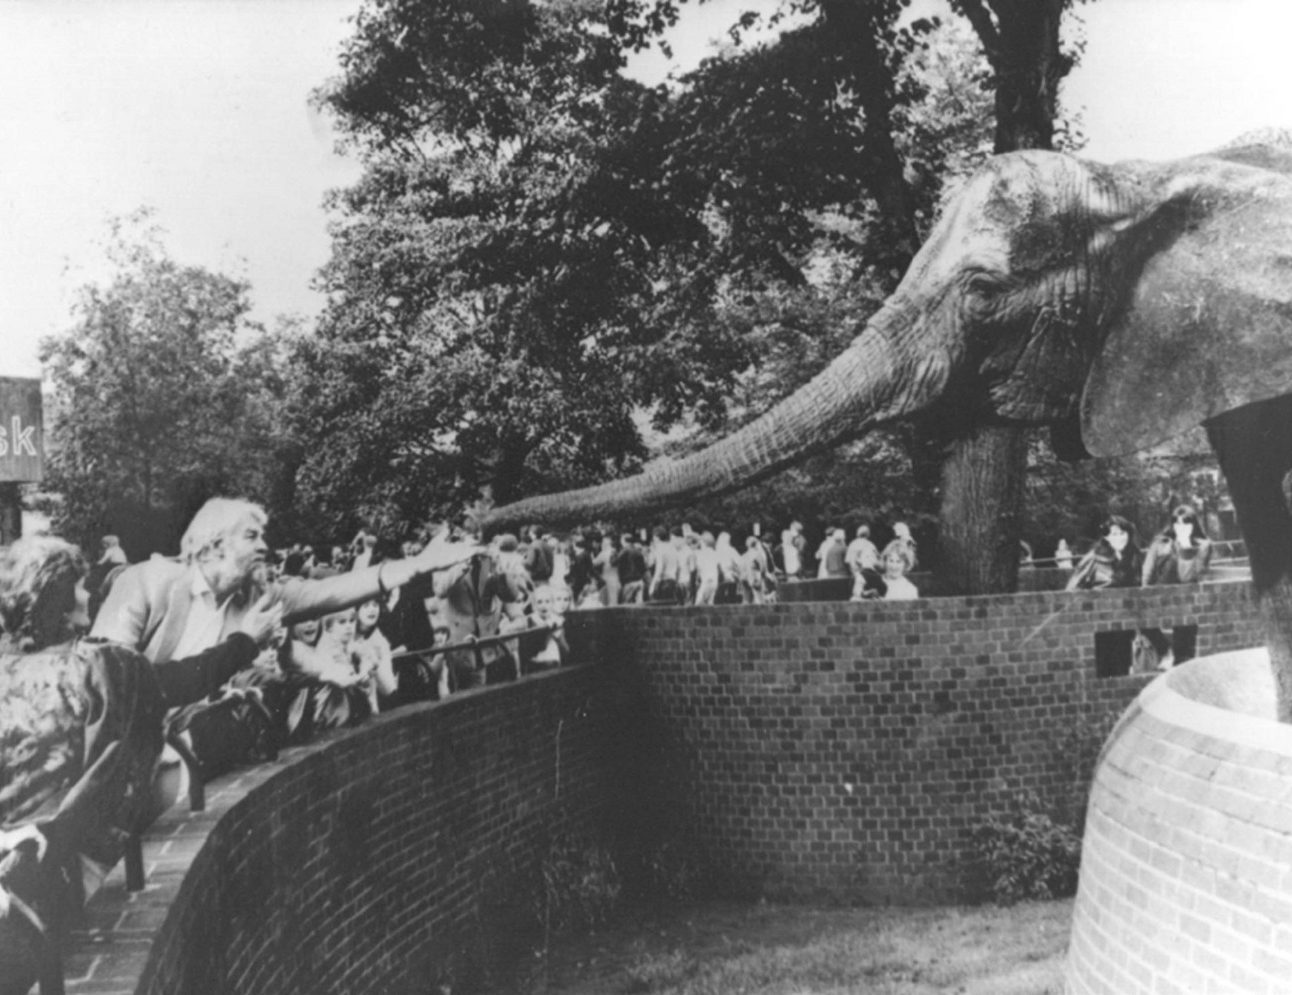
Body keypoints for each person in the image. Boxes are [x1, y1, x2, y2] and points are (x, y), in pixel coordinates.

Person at [0, 537, 280, 993]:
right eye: (81, 587)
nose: (90, 595)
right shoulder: (101, 667)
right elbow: (180, 682)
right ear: (61, 599)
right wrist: (246, 642)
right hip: (49, 867)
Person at [91, 497, 477, 665]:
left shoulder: (262, 595)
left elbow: (330, 592)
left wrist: (416, 566)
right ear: (213, 545)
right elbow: (106, 681)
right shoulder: (147, 583)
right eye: (251, 536)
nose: (265, 546)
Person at [1066, 515, 1143, 591]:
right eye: (1114, 534)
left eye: (1122, 533)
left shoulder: (1134, 556)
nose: (1119, 538)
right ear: (1107, 537)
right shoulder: (1094, 558)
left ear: (1128, 534)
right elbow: (1072, 589)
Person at [1142, 506, 1213, 586]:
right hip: (1161, 589)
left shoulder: (1203, 546)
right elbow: (1147, 571)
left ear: (1193, 526)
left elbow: (1190, 577)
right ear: (1173, 525)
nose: (1181, 528)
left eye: (1186, 524)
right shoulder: (1160, 543)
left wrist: (1186, 547)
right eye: (1178, 524)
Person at [846, 525, 882, 601]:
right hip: (868, 574)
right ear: (868, 534)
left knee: (856, 596)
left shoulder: (852, 544)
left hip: (855, 574)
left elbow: (848, 561)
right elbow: (877, 561)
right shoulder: (870, 544)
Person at [616, 533, 648, 605]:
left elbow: (616, 564)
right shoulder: (638, 552)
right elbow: (643, 568)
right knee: (640, 606)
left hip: (629, 582)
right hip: (639, 581)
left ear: (623, 541)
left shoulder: (623, 551)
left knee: (627, 606)